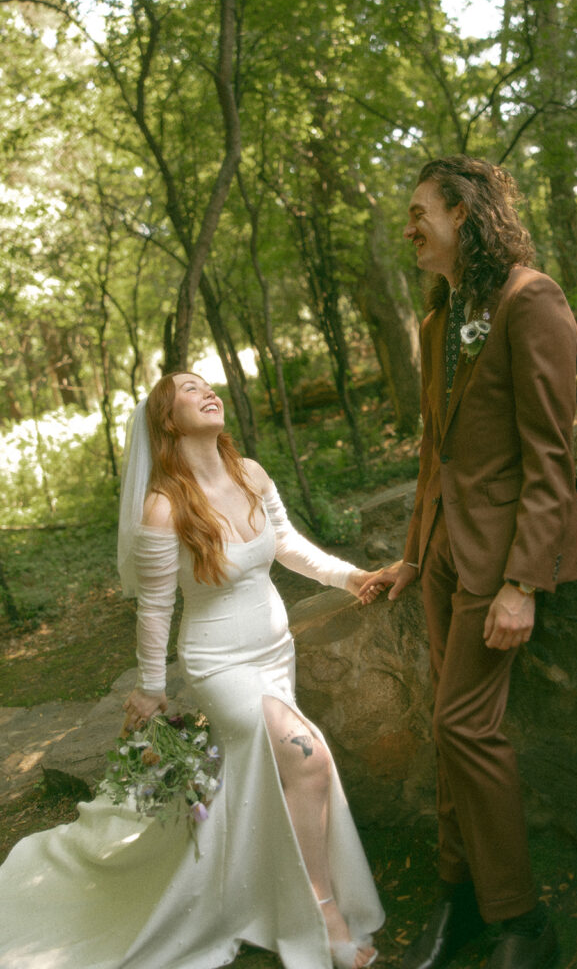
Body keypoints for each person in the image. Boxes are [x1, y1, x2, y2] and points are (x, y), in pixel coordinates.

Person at [0, 371, 384, 969]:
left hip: (276, 649)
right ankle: (323, 911)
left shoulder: (250, 472)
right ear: (167, 420)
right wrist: (151, 688)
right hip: (220, 661)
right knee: (308, 757)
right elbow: (154, 610)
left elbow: (285, 543)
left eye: (209, 385)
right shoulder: (163, 507)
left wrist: (350, 576)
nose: (208, 392)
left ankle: (243, 888)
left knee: (268, 777)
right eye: (188, 389)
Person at [359, 156, 577, 969]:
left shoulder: (531, 300)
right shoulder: (437, 316)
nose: (410, 229)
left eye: (420, 212)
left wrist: (523, 582)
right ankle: (461, 904)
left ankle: (523, 924)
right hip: (445, 556)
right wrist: (413, 559)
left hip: (498, 561)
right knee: (448, 731)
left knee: (463, 725)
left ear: (462, 211)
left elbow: (549, 455)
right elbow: (434, 450)